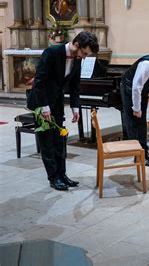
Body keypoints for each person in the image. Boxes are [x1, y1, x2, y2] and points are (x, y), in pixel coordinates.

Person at [27, 31, 99, 191]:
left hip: (57, 102)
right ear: (77, 45)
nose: (85, 57)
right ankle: (53, 177)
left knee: (60, 140)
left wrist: (75, 107)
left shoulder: (78, 59)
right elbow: (39, 82)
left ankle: (62, 175)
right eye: (85, 53)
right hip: (41, 102)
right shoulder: (52, 52)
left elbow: (75, 85)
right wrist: (44, 107)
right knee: (47, 142)